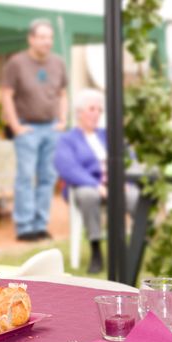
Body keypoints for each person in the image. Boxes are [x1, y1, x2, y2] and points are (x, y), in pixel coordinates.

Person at [54, 89, 138, 274]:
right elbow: (67, 167)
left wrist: (127, 181)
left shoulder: (108, 134)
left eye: (99, 110)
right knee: (88, 195)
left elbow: (130, 157)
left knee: (134, 196)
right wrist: (95, 185)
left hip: (116, 185)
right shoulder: (67, 139)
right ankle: (96, 250)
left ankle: (135, 247)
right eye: (92, 109)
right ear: (79, 112)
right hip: (86, 187)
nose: (97, 114)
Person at [1, 18, 68, 241]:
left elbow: (63, 93)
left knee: (48, 177)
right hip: (27, 128)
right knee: (26, 177)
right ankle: (24, 226)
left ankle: (40, 224)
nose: (46, 42)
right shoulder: (16, 63)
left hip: (51, 128)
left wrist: (63, 120)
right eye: (41, 37)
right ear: (31, 39)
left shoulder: (58, 62)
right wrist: (16, 126)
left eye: (49, 37)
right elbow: (6, 94)